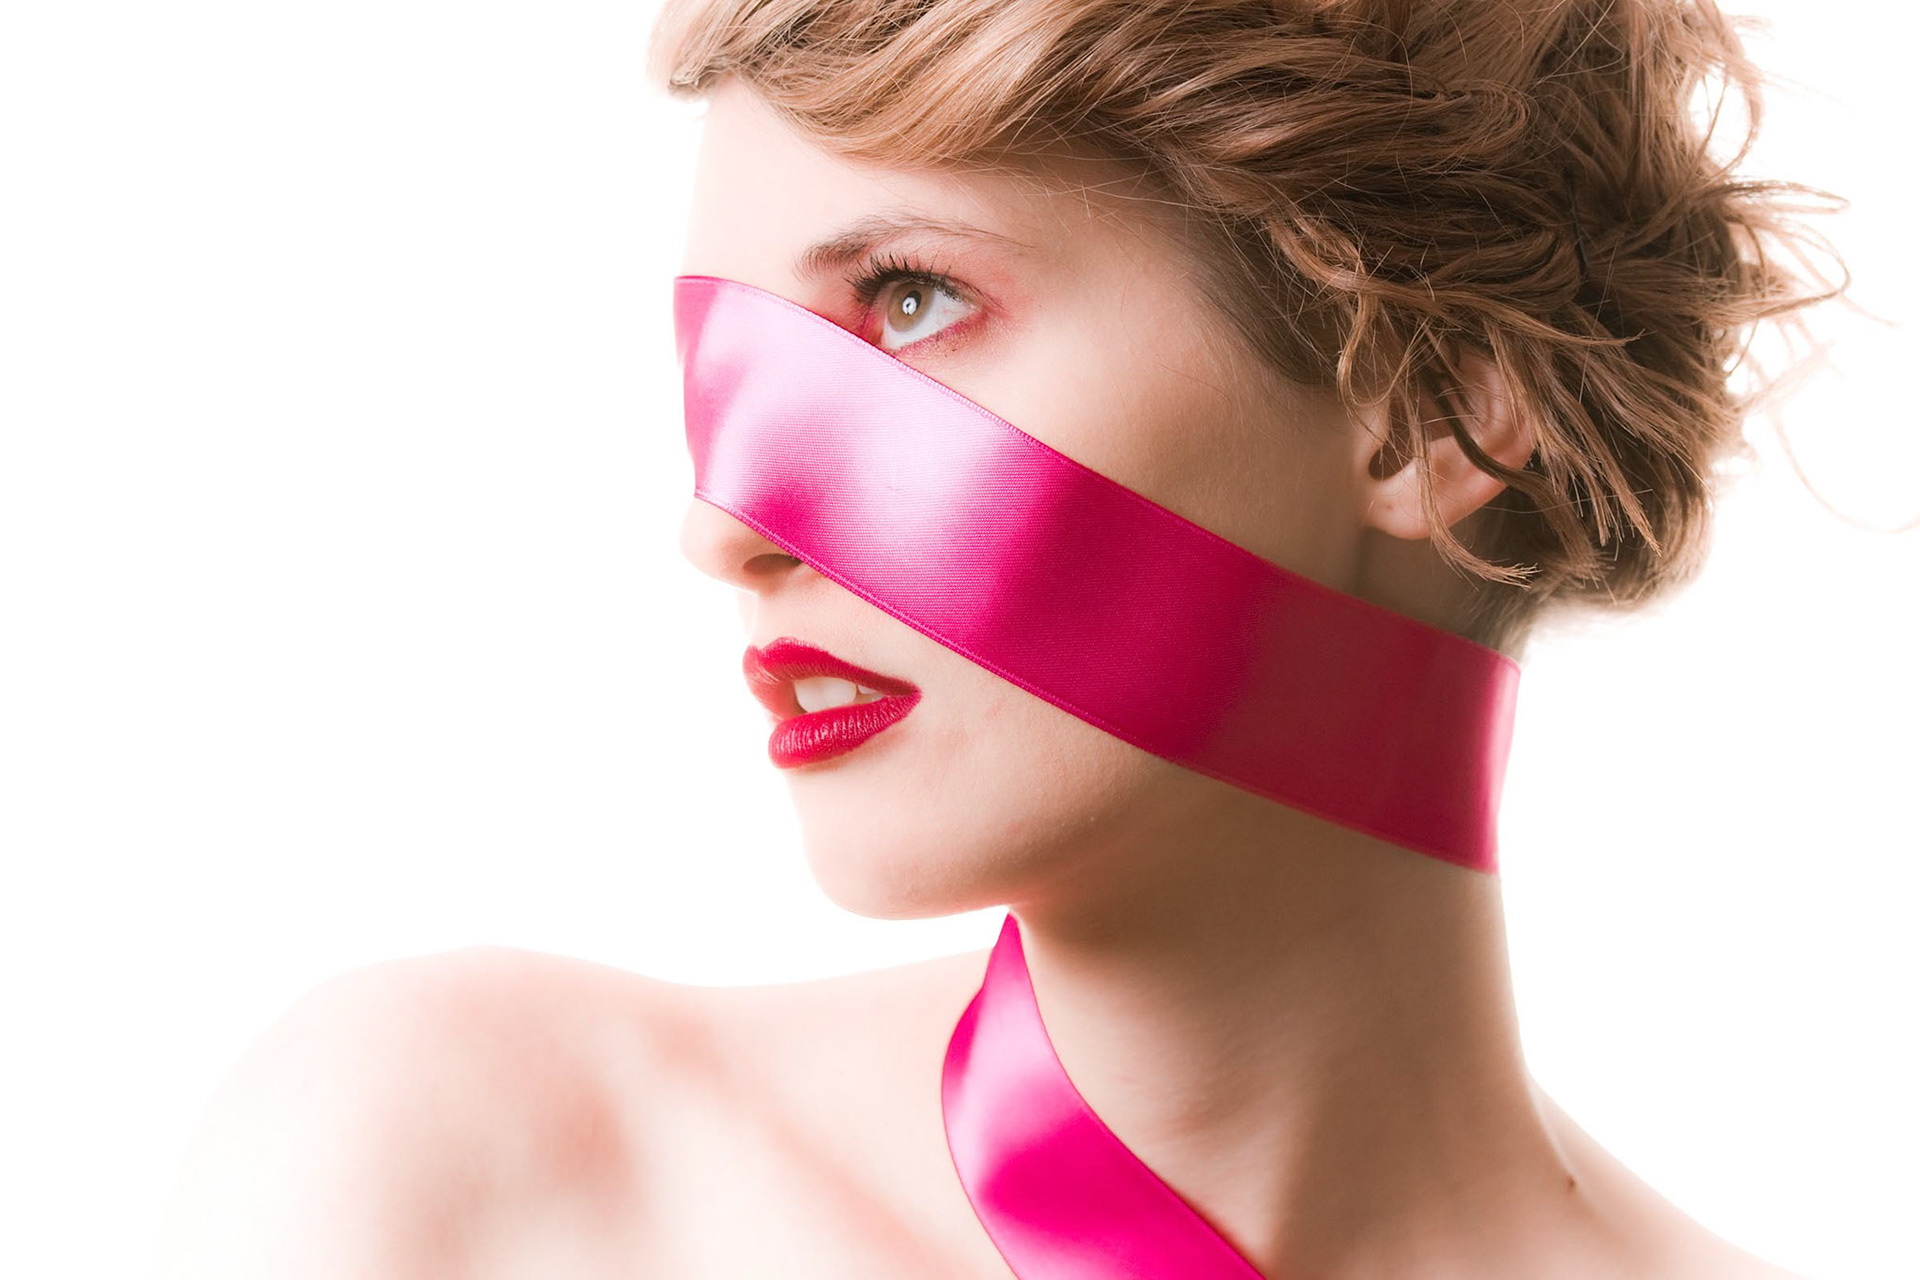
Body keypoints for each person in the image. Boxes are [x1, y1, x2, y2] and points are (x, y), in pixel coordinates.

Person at [156, 1, 1843, 1275]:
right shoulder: (475, 1176)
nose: (727, 525)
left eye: (907, 302)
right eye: (727, 361)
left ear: (1427, 408)